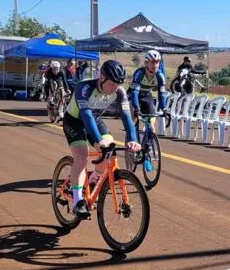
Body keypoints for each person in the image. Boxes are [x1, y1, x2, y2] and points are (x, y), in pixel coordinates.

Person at [62, 60, 141, 220]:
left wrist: (133, 139)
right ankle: (78, 201)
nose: (114, 88)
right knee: (82, 156)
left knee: (109, 148)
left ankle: (91, 183)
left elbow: (126, 116)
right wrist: (98, 141)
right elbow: (86, 115)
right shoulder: (84, 87)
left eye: (118, 84)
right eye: (111, 83)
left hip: (95, 119)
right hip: (75, 121)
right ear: (101, 77)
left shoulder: (119, 91)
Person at [128, 49, 168, 117]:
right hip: (133, 95)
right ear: (146, 63)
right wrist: (137, 109)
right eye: (152, 62)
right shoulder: (139, 73)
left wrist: (164, 109)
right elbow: (134, 93)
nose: (155, 65)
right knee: (134, 117)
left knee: (151, 123)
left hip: (146, 94)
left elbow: (162, 95)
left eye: (157, 62)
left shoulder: (160, 76)